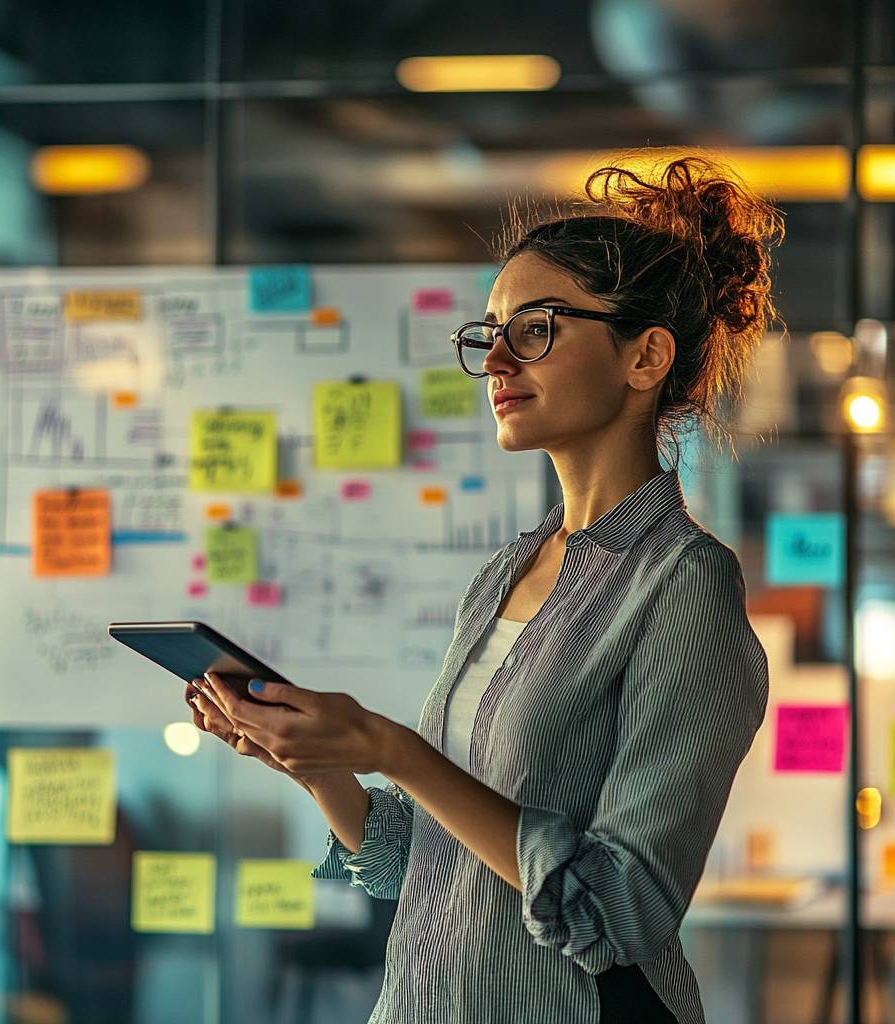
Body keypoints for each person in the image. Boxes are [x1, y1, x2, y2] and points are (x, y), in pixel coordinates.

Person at [187, 151, 784, 1024]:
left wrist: (390, 745)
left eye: (537, 328)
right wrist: (318, 767)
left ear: (645, 356)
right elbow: (420, 864)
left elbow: (617, 912)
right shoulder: (503, 573)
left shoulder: (684, 583)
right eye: (490, 331)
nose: (497, 357)